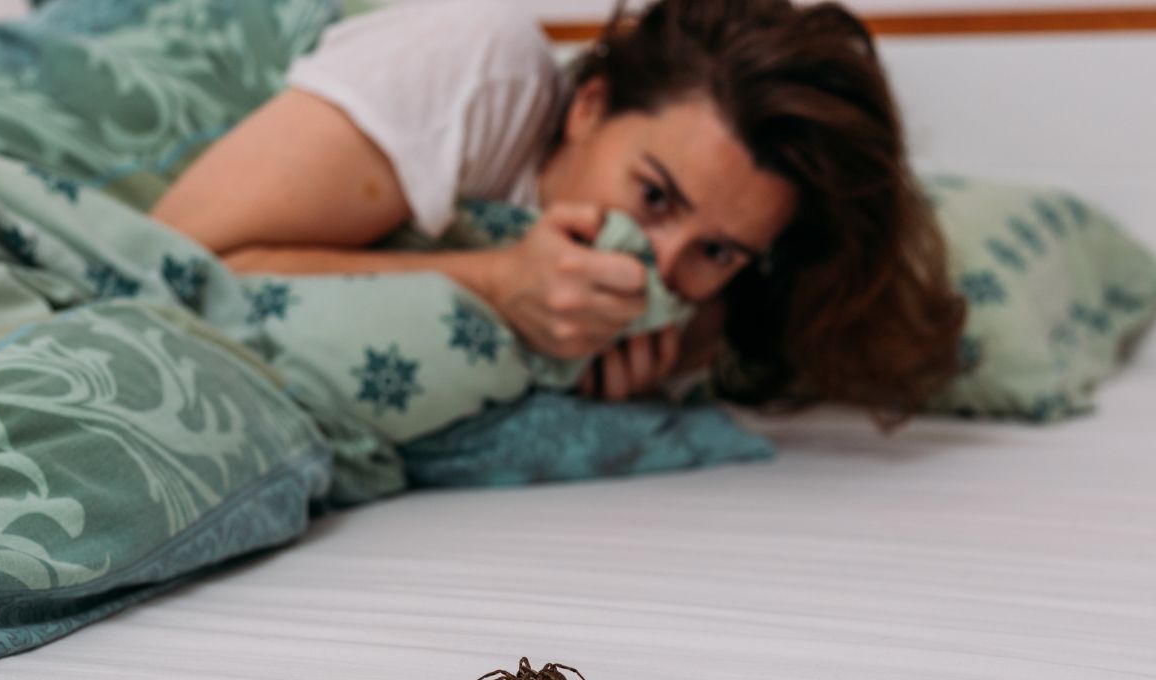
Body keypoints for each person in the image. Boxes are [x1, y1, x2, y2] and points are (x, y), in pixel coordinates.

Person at [151, 0, 965, 422]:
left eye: (717, 251)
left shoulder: (696, 319)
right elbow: (165, 263)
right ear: (590, 107)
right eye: (652, 197)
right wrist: (494, 284)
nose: (662, 265)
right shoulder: (477, 64)